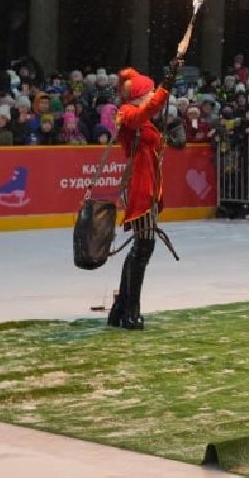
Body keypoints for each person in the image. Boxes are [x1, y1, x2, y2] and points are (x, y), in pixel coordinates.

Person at [107, 59, 181, 330]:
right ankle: (129, 311)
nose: (152, 95)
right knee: (143, 248)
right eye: (148, 91)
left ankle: (122, 308)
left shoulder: (143, 118)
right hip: (139, 187)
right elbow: (145, 113)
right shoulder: (127, 113)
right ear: (139, 95)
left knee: (141, 248)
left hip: (148, 185)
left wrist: (170, 135)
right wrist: (165, 87)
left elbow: (153, 132)